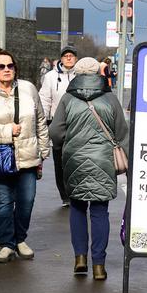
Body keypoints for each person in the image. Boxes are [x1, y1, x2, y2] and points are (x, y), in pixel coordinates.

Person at [50, 56, 128, 280]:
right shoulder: (110, 99)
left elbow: (55, 133)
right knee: (99, 211)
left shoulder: (68, 99)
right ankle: (99, 266)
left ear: (76, 74)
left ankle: (80, 259)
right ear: (98, 73)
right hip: (104, 160)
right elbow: (122, 132)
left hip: (74, 159)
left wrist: (67, 143)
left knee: (77, 208)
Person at [0, 49, 48, 263]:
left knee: (26, 201)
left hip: (28, 155)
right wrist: (6, 131)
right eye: (1, 66)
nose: (7, 70)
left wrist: (43, 151)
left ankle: (20, 239)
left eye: (10, 65)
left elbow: (40, 121)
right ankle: (6, 244)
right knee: (3, 204)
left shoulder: (28, 89)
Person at [39, 46, 78, 207]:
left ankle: (76, 191)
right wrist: (44, 120)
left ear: (76, 58)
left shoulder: (81, 75)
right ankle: (65, 195)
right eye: (65, 56)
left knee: (76, 159)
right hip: (58, 122)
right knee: (59, 160)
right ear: (61, 59)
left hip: (77, 123)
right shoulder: (50, 76)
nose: (69, 58)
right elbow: (45, 99)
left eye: (71, 56)